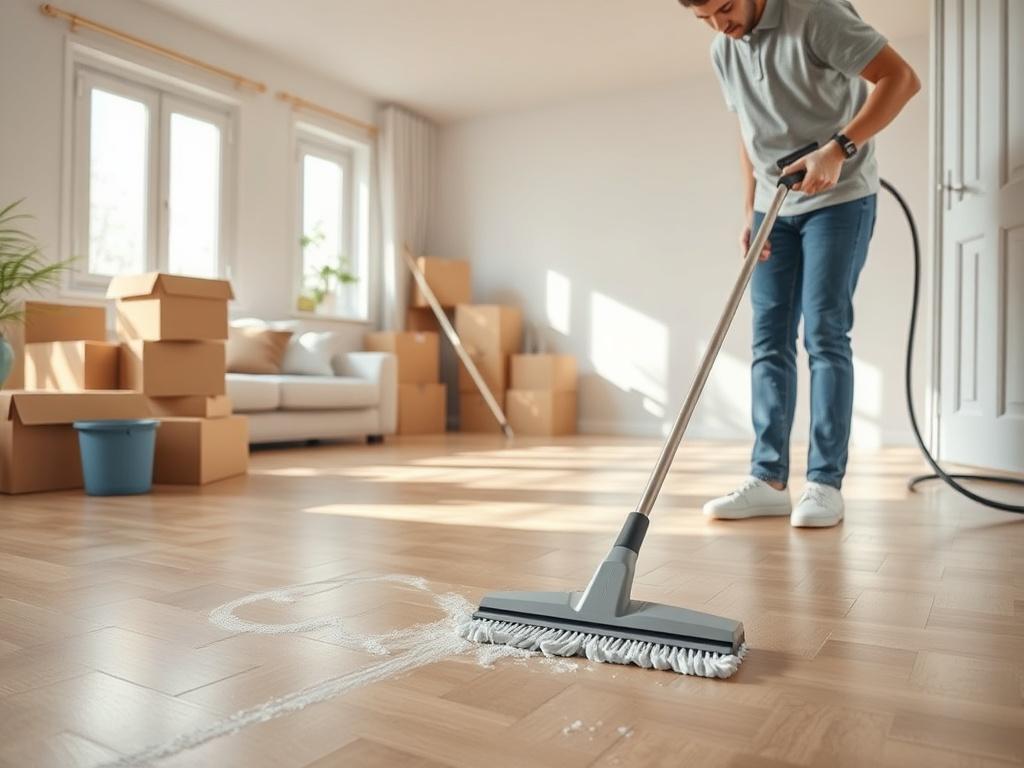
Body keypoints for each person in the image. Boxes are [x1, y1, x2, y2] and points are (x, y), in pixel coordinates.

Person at [682, 0, 920, 527]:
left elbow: (900, 79)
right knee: (768, 339)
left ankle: (823, 483)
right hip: (775, 206)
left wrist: (838, 149)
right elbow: (748, 132)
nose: (721, 25)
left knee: (826, 334)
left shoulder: (814, 13)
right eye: (705, 18)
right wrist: (749, 210)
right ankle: (768, 479)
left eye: (724, 7)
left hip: (840, 200)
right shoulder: (724, 50)